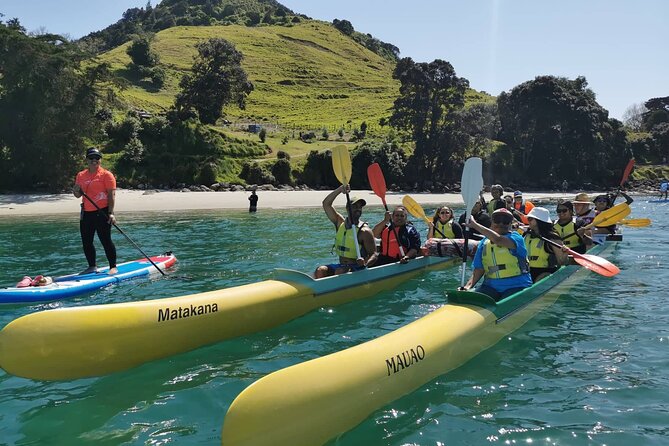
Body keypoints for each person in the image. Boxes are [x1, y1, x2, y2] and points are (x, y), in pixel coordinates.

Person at [460, 208, 532, 301]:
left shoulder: (517, 238)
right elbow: (479, 269)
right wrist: (467, 287)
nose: (501, 224)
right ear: (491, 223)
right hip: (490, 287)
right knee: (470, 300)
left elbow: (498, 240)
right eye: (497, 220)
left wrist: (475, 225)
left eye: (505, 221)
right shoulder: (483, 243)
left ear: (510, 224)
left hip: (517, 285)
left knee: (506, 301)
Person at [314, 186, 377, 278]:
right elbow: (326, 204)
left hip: (357, 267)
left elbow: (374, 254)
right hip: (342, 266)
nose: (358, 209)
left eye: (360, 207)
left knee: (340, 272)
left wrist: (365, 263)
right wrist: (340, 189)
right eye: (355, 206)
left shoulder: (365, 231)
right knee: (320, 270)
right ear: (347, 208)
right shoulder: (340, 223)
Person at [72, 147, 118, 275]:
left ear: (100, 160)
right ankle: (92, 266)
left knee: (105, 240)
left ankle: (113, 266)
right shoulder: (81, 175)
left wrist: (111, 213)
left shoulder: (106, 175)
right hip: (86, 212)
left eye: (97, 158)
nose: (94, 160)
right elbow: (77, 195)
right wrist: (75, 190)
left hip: (102, 211)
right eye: (91, 158)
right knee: (86, 241)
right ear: (87, 160)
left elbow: (111, 195)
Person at [523, 207, 568, 282]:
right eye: (528, 219)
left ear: (539, 221)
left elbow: (562, 262)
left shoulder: (552, 238)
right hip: (527, 272)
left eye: (530, 219)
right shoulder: (527, 235)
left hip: (545, 273)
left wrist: (565, 253)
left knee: (541, 278)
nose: (528, 221)